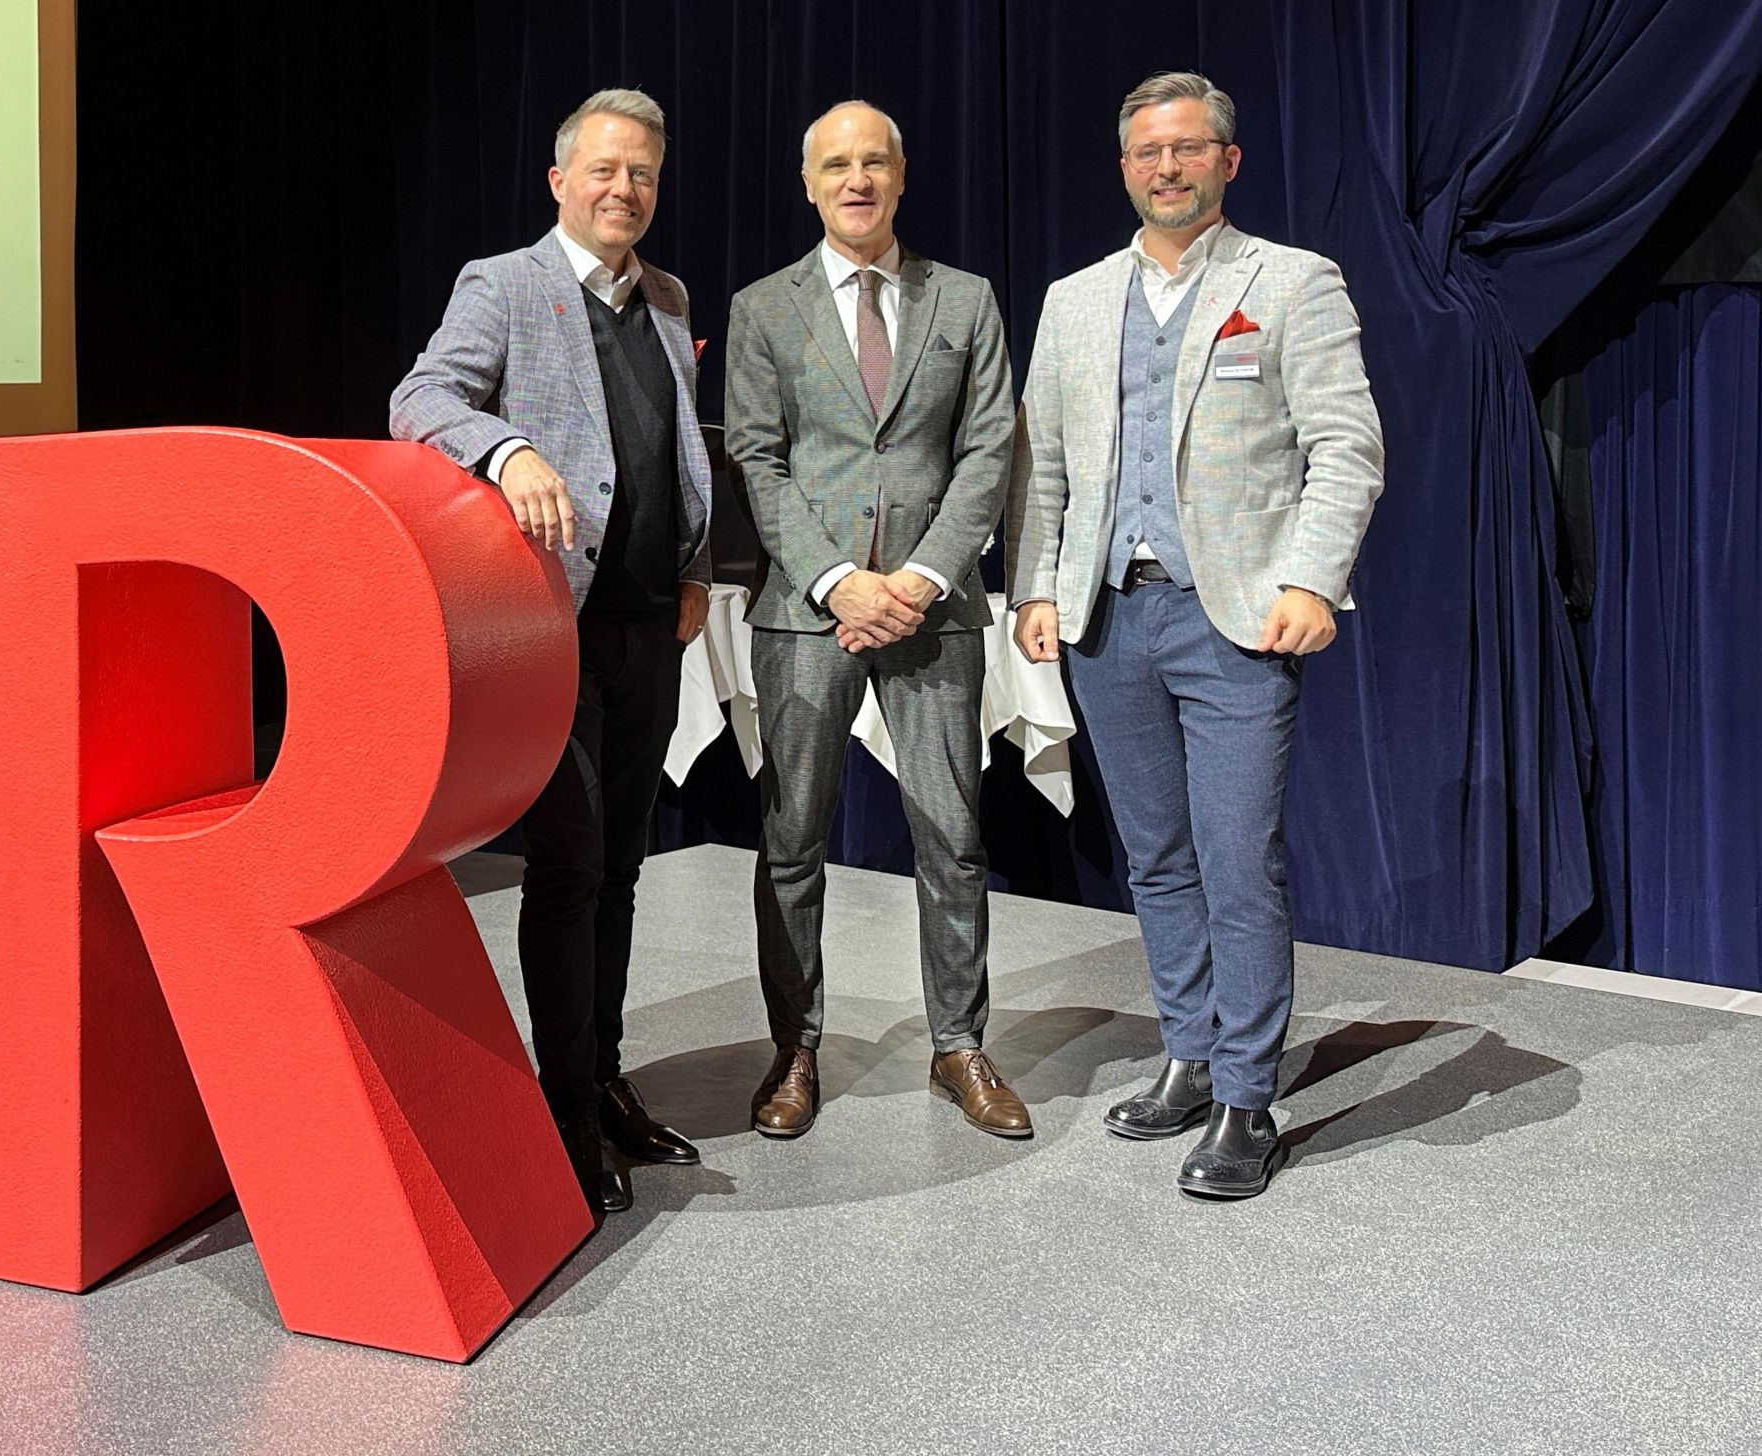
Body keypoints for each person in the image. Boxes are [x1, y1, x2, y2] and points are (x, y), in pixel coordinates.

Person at [1007, 70, 1383, 1200]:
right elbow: (1044, 462)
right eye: (1147, 152)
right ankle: (1189, 1052)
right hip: (1108, 618)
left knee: (1236, 860)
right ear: (1125, 167)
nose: (1165, 168)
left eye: (1186, 148)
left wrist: (1311, 580)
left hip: (1236, 618)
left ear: (1227, 160)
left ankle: (1246, 1095)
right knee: (1158, 858)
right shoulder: (1076, 299)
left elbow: (1346, 447)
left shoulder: (1293, 282)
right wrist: (1034, 587)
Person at [391, 87, 711, 1218]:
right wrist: (509, 450)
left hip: (650, 628)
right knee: (570, 872)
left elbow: (671, 450)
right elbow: (420, 397)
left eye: (644, 175)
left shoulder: (666, 297)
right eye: (606, 171)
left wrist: (694, 566)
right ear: (561, 180)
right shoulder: (505, 283)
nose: (626, 190)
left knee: (622, 867)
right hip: (551, 630)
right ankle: (564, 1105)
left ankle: (605, 1077)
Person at [725, 100, 1030, 1142]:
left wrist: (921, 579)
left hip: (933, 611)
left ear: (900, 177)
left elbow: (988, 450)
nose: (856, 180)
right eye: (836, 166)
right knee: (792, 839)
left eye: (874, 163)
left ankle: (960, 1045)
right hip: (808, 613)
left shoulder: (966, 299)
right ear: (809, 185)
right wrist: (837, 583)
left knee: (954, 837)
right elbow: (757, 458)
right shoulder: (763, 309)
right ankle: (795, 1049)